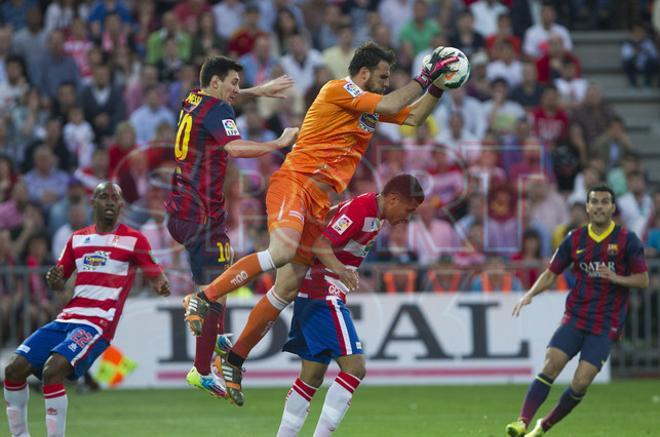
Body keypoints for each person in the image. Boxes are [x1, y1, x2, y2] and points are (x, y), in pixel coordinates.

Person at [184, 41, 458, 406]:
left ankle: (233, 359)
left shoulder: (369, 109)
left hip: (317, 200)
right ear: (362, 74)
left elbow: (412, 116)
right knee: (281, 253)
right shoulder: (339, 88)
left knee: (287, 287)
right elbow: (395, 103)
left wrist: (438, 87)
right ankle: (204, 297)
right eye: (382, 76)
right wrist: (426, 75)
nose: (386, 82)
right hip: (296, 182)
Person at [164, 55, 298, 399]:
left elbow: (223, 102)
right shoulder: (218, 111)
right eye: (234, 83)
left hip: (179, 212)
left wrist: (259, 91)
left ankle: (212, 337)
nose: (237, 89)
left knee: (217, 285)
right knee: (216, 290)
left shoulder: (193, 99)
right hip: (202, 218)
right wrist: (277, 144)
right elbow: (235, 147)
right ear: (215, 83)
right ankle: (201, 369)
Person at [3, 182, 171, 437]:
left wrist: (160, 284)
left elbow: (153, 272)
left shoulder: (134, 239)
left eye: (116, 198)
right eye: (104, 196)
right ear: (93, 202)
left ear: (122, 206)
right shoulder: (78, 238)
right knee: (14, 369)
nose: (111, 201)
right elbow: (60, 280)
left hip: (96, 324)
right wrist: (54, 279)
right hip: (66, 319)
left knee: (53, 370)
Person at [276, 174, 425, 437]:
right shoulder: (363, 208)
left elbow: (330, 218)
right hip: (324, 290)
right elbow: (321, 244)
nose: (408, 217)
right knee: (355, 368)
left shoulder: (371, 211)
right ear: (393, 199)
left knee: (311, 377)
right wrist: (341, 271)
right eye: (408, 210)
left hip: (315, 291)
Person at [505, 184, 649, 437]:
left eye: (605, 202)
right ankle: (522, 422)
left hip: (607, 324)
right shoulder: (575, 238)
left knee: (581, 382)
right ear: (588, 207)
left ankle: (543, 426)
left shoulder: (628, 240)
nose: (600, 206)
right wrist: (529, 294)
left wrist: (617, 278)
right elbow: (551, 274)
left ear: (613, 207)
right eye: (595, 202)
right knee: (551, 365)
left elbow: (643, 280)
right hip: (576, 317)